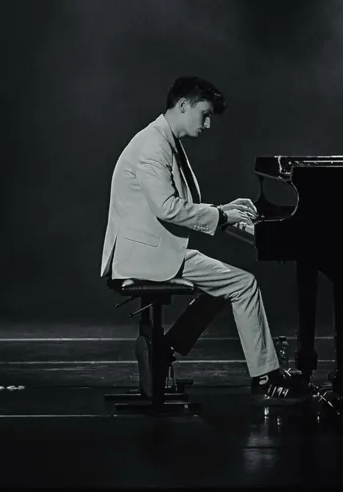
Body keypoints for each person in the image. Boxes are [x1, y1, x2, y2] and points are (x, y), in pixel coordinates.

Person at [100, 76, 309, 403]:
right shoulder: (153, 146)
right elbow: (168, 208)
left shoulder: (163, 140)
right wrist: (223, 216)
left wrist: (225, 212)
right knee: (243, 284)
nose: (208, 124)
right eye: (205, 114)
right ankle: (265, 377)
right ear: (183, 105)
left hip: (154, 249)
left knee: (225, 285)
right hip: (145, 256)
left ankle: (165, 350)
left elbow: (180, 206)